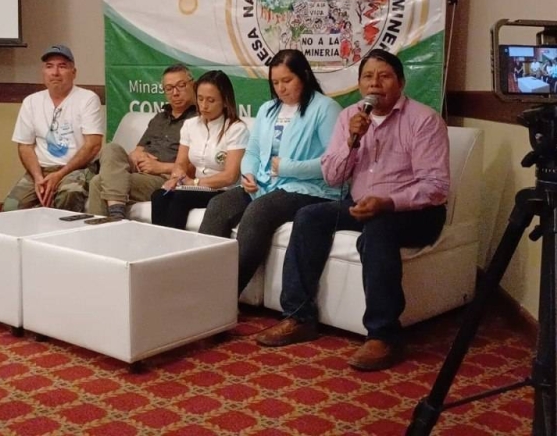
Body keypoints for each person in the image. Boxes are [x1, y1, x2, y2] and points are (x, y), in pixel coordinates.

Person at [254, 49, 450, 372]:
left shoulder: (424, 120)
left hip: (415, 212)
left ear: (400, 82)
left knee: (379, 228)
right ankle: (299, 316)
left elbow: (436, 186)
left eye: (384, 76)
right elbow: (333, 176)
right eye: (368, 77)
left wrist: (388, 202)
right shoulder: (350, 117)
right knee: (309, 217)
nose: (375, 83)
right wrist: (351, 141)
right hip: (362, 204)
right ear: (359, 84)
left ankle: (383, 335)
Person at [198, 50, 341, 295]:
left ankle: (224, 297)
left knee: (259, 211)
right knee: (218, 205)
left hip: (308, 188)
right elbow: (252, 151)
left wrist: (288, 167)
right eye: (275, 83)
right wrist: (249, 173)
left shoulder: (326, 108)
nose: (281, 89)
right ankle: (200, 286)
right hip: (265, 184)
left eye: (287, 81)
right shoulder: (268, 109)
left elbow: (334, 162)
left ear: (304, 76)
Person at [86, 64, 196, 219]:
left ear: (193, 84)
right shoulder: (160, 118)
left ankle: (112, 222)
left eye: (181, 85)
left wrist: (159, 167)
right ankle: (116, 216)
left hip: (166, 178)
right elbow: (137, 151)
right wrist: (139, 158)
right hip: (140, 170)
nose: (175, 93)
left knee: (98, 182)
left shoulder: (198, 120)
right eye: (169, 88)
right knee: (111, 148)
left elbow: (197, 168)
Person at [3, 45, 104, 212]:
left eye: (62, 66)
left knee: (68, 196)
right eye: (49, 66)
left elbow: (93, 145)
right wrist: (38, 178)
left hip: (77, 169)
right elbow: (25, 146)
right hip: (41, 170)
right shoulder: (31, 101)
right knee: (11, 206)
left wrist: (59, 175)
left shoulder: (87, 99)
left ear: (74, 72)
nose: (55, 72)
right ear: (43, 72)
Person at [150, 70, 249, 229]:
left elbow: (230, 176)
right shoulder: (190, 125)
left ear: (224, 101)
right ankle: (160, 249)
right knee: (159, 195)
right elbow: (180, 162)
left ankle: (179, 250)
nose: (204, 105)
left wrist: (195, 182)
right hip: (192, 186)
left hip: (221, 190)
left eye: (211, 100)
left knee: (179, 198)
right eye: (200, 99)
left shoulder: (236, 129)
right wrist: (177, 176)